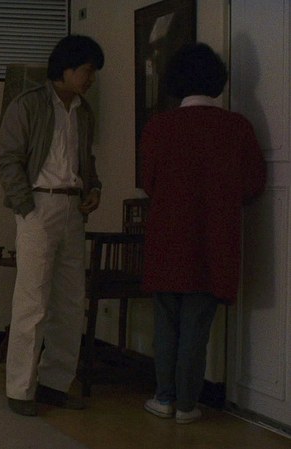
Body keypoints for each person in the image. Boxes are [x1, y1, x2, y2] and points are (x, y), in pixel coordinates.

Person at [140, 42, 266, 424]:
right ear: (217, 80)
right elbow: (253, 184)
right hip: (213, 241)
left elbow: (148, 182)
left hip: (167, 237)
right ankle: (186, 404)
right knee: (196, 326)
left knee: (166, 323)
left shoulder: (159, 127)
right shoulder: (236, 127)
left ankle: (163, 397)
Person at [0, 34, 104, 417]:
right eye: (88, 70)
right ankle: (20, 389)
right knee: (33, 300)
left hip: (73, 209)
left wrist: (94, 189)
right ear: (67, 68)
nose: (91, 78)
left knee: (70, 301)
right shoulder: (28, 104)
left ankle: (55, 383)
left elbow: (85, 160)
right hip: (38, 205)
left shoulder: (84, 111)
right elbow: (8, 159)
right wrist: (26, 207)